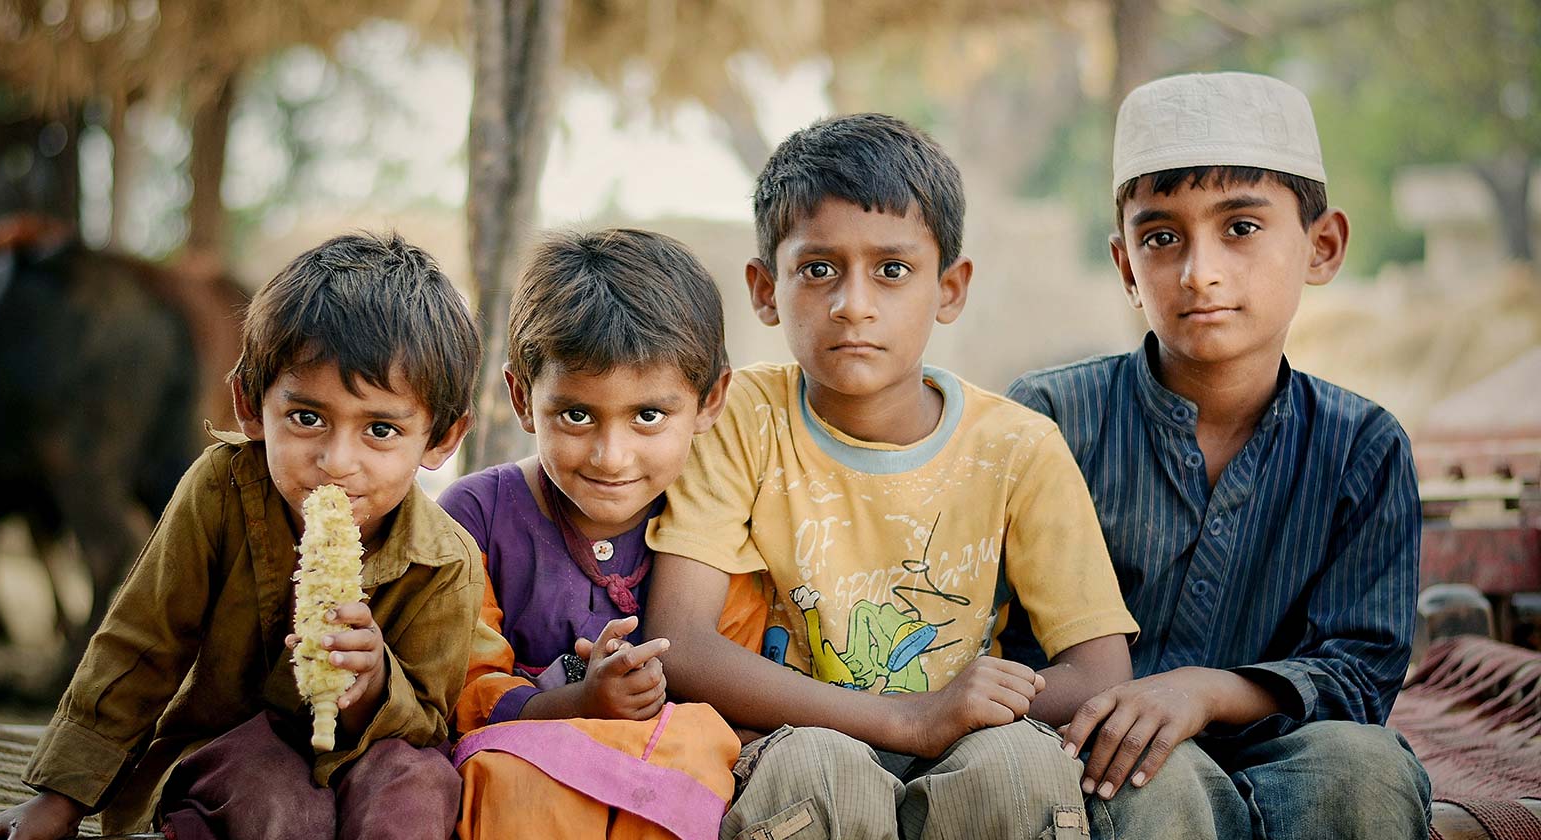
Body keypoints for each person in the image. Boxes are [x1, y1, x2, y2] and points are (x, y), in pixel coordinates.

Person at [643, 113, 1141, 840]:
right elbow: (679, 640)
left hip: (968, 749)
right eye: (818, 269)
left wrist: (956, 712)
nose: (854, 303)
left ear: (949, 288)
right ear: (763, 288)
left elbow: (1100, 675)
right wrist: (907, 718)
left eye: (892, 270)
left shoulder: (1017, 447)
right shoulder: (742, 415)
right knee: (815, 767)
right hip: (802, 738)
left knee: (1016, 766)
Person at [1001, 72, 1432, 839]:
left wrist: (1209, 691)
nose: (1200, 271)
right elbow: (986, 631)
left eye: (1240, 227)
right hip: (1093, 752)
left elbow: (1362, 677)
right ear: (1127, 264)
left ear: (1322, 246)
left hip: (1290, 748)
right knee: (1149, 779)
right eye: (1162, 236)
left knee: (1368, 769)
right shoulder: (1048, 420)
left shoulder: (1362, 446)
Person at [0, 232, 486, 840]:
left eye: (380, 430)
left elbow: (427, 718)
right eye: (307, 418)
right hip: (226, 750)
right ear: (248, 404)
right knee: (276, 800)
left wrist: (374, 687)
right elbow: (140, 646)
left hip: (373, 755)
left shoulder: (447, 562)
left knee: (420, 787)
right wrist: (60, 802)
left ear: (443, 438)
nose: (337, 461)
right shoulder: (219, 491)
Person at [440, 228, 763, 840]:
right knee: (507, 775)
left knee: (695, 746)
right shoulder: (476, 517)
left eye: (648, 416)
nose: (611, 457)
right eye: (577, 415)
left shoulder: (715, 524)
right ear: (521, 397)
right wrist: (577, 704)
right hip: (527, 793)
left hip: (663, 793)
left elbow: (736, 684)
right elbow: (462, 687)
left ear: (711, 399)